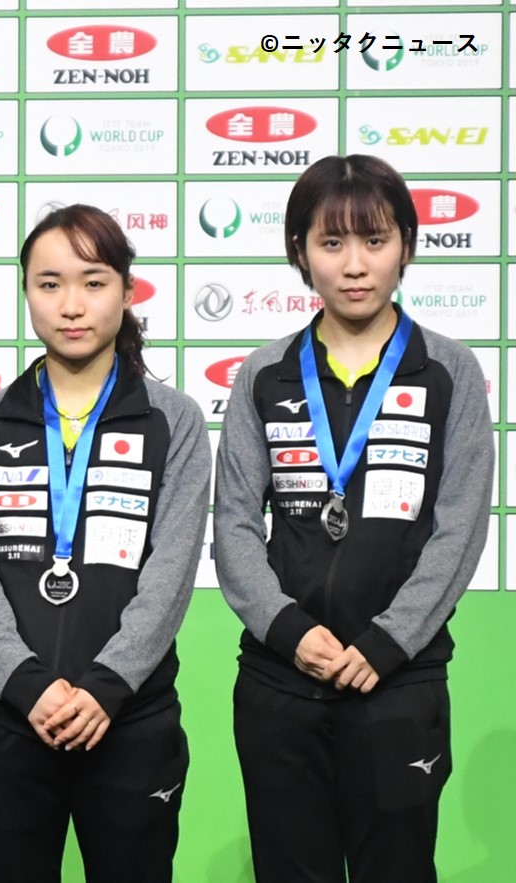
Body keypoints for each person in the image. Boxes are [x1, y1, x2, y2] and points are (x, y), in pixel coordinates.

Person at [214, 154, 493, 882]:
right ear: (299, 252)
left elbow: (459, 527)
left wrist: (388, 642)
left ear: (406, 242)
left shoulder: (450, 371)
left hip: (399, 687)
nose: (355, 264)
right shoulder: (265, 375)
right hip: (280, 683)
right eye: (331, 242)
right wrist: (290, 631)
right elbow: (235, 524)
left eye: (375, 239)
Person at [0, 204, 209, 882]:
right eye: (49, 283)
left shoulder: (174, 422)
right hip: (6, 722)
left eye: (93, 281)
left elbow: (170, 572)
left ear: (127, 289)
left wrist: (109, 685)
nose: (71, 304)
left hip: (132, 722)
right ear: (26, 291)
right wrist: (29, 686)